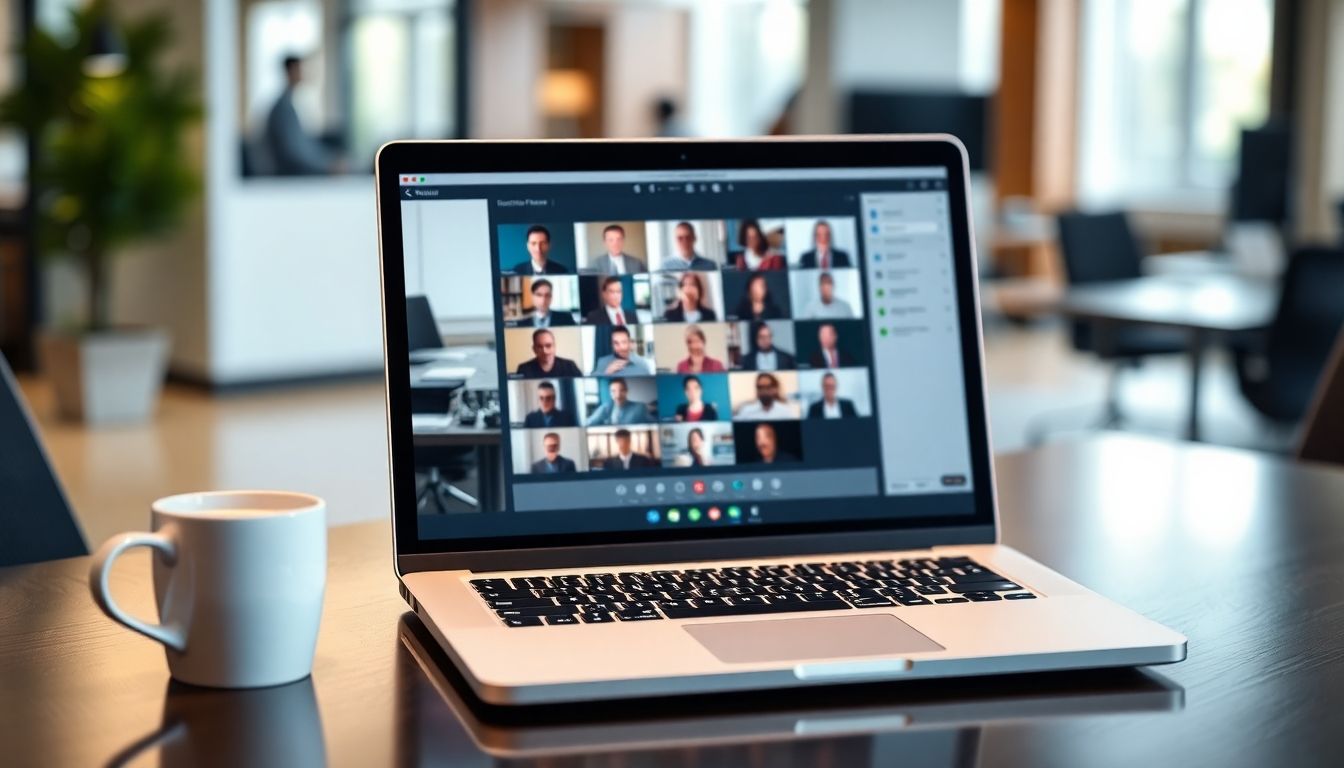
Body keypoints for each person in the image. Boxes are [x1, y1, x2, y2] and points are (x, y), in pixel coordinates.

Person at [265, 55, 341, 176]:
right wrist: (327, 166)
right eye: (300, 69)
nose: (303, 73)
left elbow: (304, 146)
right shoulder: (283, 109)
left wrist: (329, 160)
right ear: (290, 71)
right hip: (292, 177)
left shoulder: (288, 105)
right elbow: (295, 152)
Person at [515, 329, 582, 378]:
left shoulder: (570, 366)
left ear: (554, 346)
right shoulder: (524, 369)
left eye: (548, 345)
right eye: (539, 347)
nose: (545, 351)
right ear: (534, 349)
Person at [585, 378, 652, 426]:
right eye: (613, 391)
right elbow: (589, 422)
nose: (618, 395)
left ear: (626, 391)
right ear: (610, 393)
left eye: (621, 390)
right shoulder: (605, 408)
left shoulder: (639, 408)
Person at [734, 373, 800, 420]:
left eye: (767, 387)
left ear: (775, 389)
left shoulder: (785, 411)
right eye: (760, 387)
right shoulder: (746, 411)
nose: (763, 391)